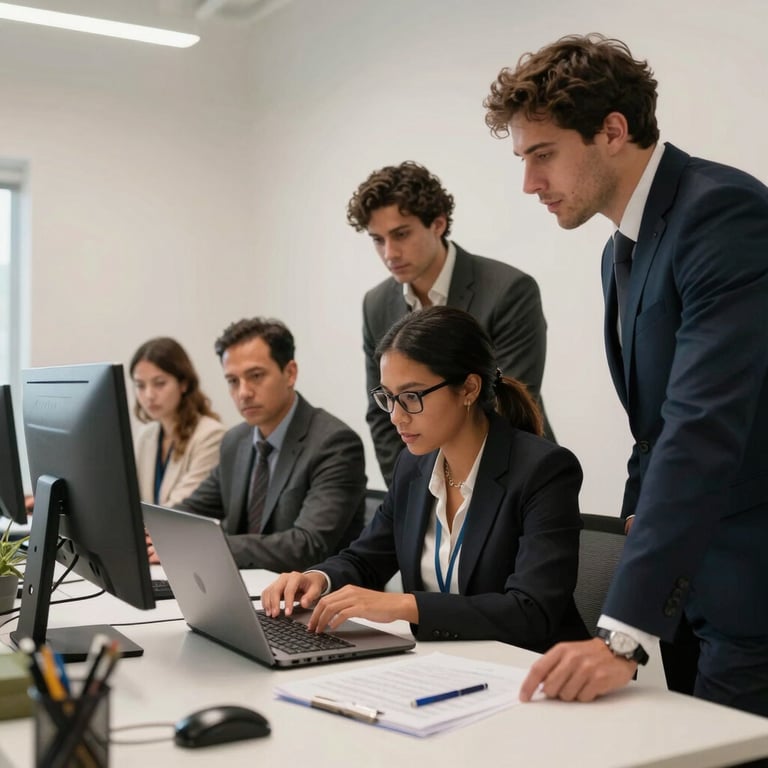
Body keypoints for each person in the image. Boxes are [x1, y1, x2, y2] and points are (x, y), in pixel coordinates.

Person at [484, 33, 768, 717]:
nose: (529, 183)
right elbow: (657, 423)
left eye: (543, 155)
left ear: (613, 131)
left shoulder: (722, 214)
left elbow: (701, 426)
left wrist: (623, 632)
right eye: (524, 159)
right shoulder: (623, 248)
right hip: (689, 585)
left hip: (753, 587)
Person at [261, 306, 587, 651]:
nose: (397, 417)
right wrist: (318, 579)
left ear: (468, 389)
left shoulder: (544, 470)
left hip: (535, 672)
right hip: (445, 663)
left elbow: (531, 612)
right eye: (388, 397)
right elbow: (365, 559)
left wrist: (405, 605)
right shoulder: (414, 467)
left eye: (412, 397)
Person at [348, 161, 554, 487]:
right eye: (378, 239)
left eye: (401, 234)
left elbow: (507, 404)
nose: (389, 253)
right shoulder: (376, 304)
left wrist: (462, 492)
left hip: (513, 479)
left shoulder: (509, 291)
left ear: (438, 224)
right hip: (427, 487)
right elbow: (382, 412)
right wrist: (411, 494)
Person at [175, 317, 368, 572]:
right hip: (248, 591)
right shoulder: (235, 441)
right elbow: (189, 512)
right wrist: (154, 533)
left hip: (315, 600)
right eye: (233, 381)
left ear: (290, 373)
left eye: (255, 376)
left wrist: (206, 546)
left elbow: (307, 545)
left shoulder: (335, 444)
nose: (243, 392)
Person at [131, 337, 225, 508]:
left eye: (159, 383)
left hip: (185, 532)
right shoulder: (145, 435)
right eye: (140, 385)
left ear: (184, 383)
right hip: (151, 532)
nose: (149, 395)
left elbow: (185, 507)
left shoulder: (211, 435)